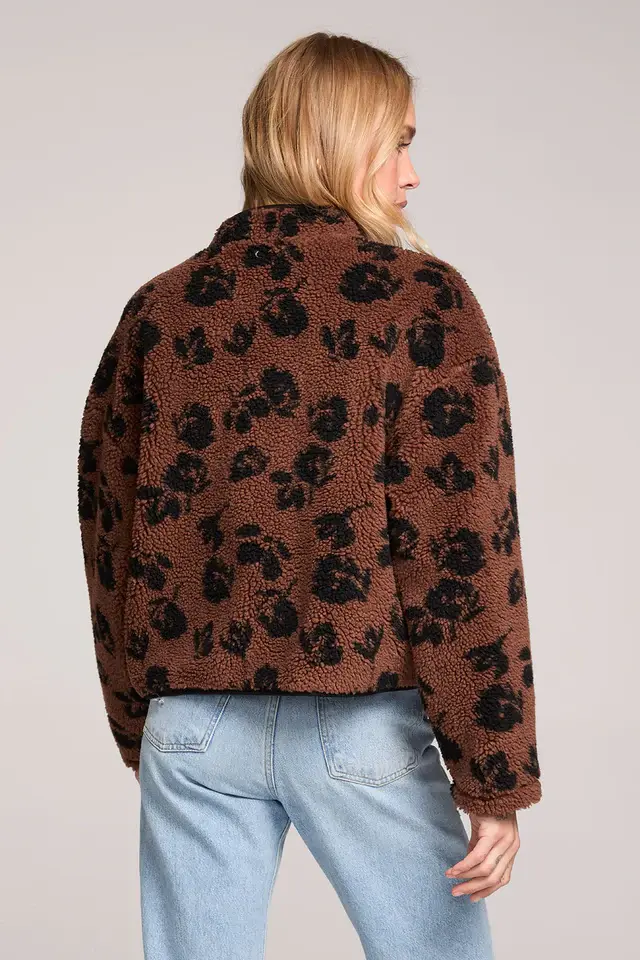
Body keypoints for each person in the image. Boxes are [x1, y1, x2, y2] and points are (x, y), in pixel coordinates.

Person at [77, 31, 542, 960]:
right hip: (358, 719)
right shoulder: (421, 302)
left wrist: (140, 721)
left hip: (193, 720)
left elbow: (108, 533)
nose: (412, 173)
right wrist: (494, 774)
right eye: (398, 141)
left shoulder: (159, 309)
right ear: (337, 141)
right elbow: (462, 545)